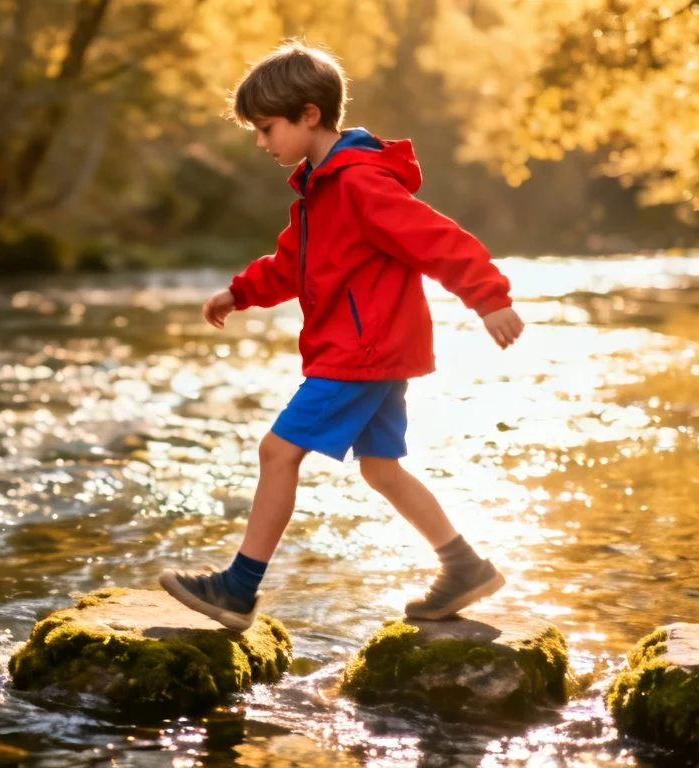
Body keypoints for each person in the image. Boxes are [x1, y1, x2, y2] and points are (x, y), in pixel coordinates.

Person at [158, 41, 525, 631]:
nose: (261, 142)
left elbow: (435, 238)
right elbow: (291, 263)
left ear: (309, 114)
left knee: (278, 452)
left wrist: (489, 298)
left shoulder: (358, 184)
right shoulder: (317, 190)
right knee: (380, 468)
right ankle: (463, 567)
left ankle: (238, 588)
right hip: (372, 349)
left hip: (363, 350)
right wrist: (242, 291)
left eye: (267, 128)